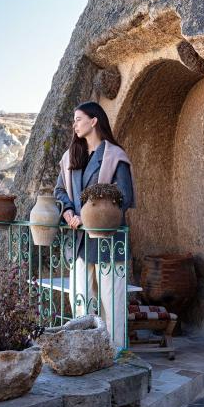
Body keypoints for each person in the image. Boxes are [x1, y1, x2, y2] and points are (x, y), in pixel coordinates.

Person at [53, 101, 135, 347]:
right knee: (80, 301)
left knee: (112, 302)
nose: (74, 124)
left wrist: (89, 216)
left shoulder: (115, 156)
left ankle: (115, 351)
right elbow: (59, 190)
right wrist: (68, 211)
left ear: (94, 120)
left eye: (78, 119)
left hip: (108, 241)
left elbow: (124, 196)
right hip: (79, 242)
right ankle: (84, 349)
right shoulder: (71, 156)